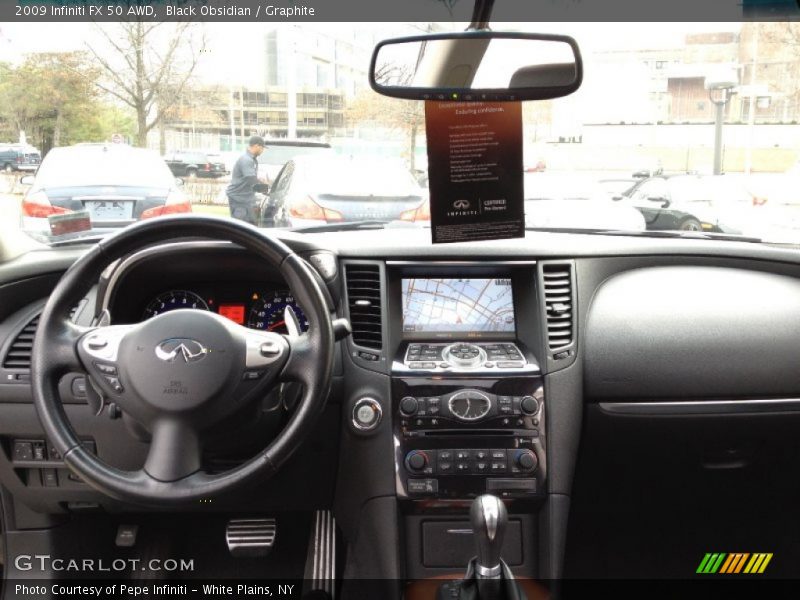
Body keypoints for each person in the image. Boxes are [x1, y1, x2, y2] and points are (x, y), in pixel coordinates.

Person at [226, 135, 269, 225]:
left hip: (244, 198)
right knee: (241, 227)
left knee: (250, 225)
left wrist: (261, 182)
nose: (263, 151)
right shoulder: (247, 160)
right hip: (239, 199)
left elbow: (251, 178)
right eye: (262, 148)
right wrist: (266, 190)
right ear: (256, 146)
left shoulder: (249, 159)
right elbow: (251, 179)